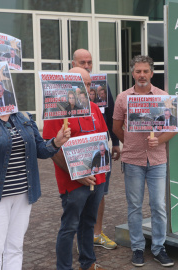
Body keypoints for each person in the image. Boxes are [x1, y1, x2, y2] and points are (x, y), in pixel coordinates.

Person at [0, 111, 70, 269]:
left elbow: (40, 149)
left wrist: (56, 142)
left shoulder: (24, 117)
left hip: (23, 194)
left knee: (15, 248)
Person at [113, 55, 177, 267]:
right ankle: (138, 248)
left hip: (157, 160)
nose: (142, 75)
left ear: (152, 73)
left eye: (145, 71)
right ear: (132, 73)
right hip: (132, 160)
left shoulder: (163, 97)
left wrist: (157, 141)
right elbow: (116, 128)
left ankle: (159, 248)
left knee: (159, 206)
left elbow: (172, 129)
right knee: (134, 207)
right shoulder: (123, 98)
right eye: (138, 71)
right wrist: (130, 142)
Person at [43, 67, 107, 270]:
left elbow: (103, 138)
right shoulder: (57, 110)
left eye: (89, 84)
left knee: (89, 222)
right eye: (82, 84)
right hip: (72, 182)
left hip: (97, 178)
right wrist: (77, 175)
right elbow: (51, 148)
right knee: (69, 227)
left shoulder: (95, 108)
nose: (87, 89)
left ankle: (88, 264)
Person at [72, 48, 120, 250]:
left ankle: (96, 233)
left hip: (99, 150)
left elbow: (109, 115)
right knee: (76, 198)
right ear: (73, 63)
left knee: (100, 195)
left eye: (89, 62)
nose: (87, 66)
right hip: (75, 152)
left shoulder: (101, 84)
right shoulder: (61, 88)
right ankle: (80, 238)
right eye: (82, 62)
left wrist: (115, 142)